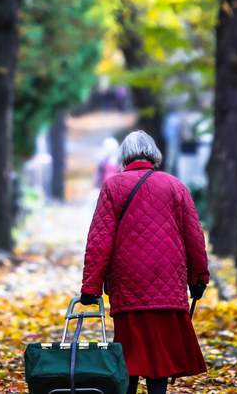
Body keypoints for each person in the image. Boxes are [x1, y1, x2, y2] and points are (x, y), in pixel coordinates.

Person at [80, 130, 208, 394]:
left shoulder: (113, 187)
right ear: (154, 154)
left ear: (124, 156)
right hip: (167, 281)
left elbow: (100, 240)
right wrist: (198, 278)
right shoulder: (175, 186)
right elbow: (193, 236)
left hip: (129, 283)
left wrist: (90, 287)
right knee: (160, 355)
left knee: (129, 352)